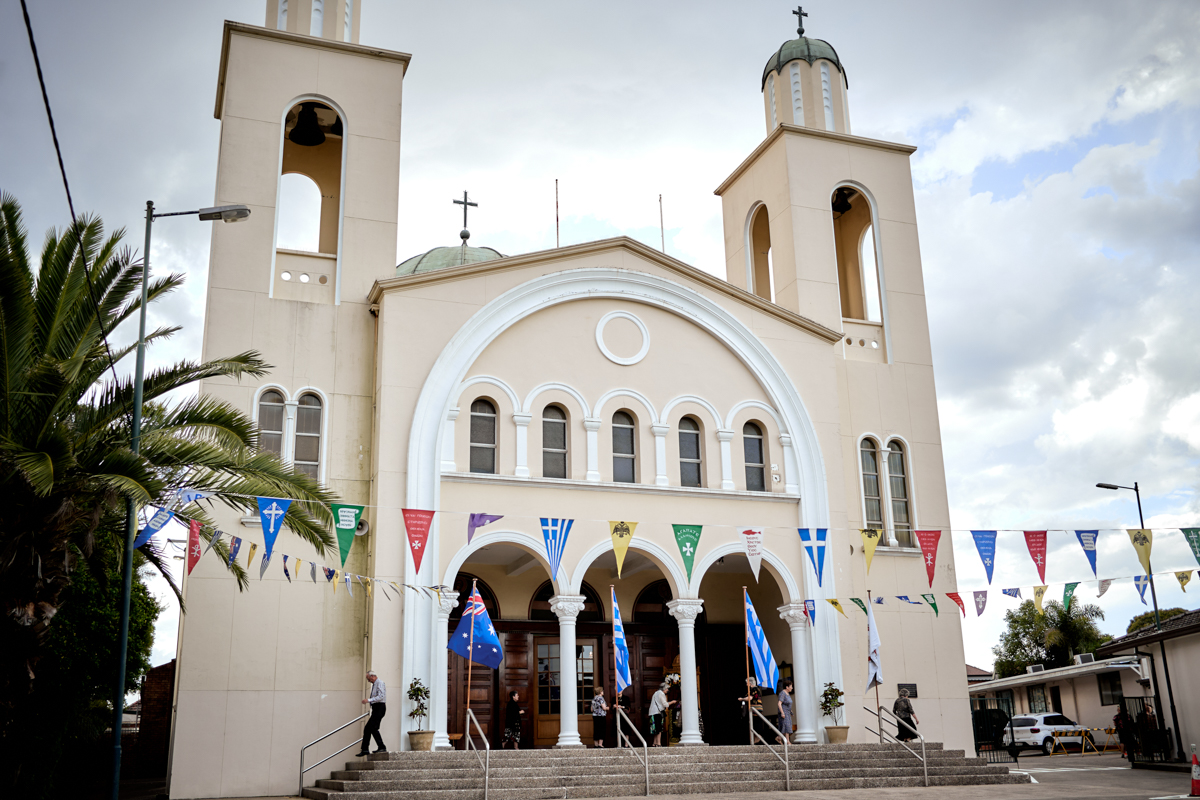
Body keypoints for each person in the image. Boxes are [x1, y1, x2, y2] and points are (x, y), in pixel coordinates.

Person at [356, 670, 386, 757]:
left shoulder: (379, 683)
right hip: (376, 708)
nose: (369, 681)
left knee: (371, 728)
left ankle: (381, 747)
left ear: (373, 676)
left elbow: (381, 696)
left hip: (379, 708)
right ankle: (366, 749)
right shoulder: (376, 684)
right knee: (369, 728)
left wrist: (369, 700)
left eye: (368, 679)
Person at [738, 677, 765, 744]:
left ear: (750, 683)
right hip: (757, 709)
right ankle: (756, 737)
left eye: (747, 683)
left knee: (755, 722)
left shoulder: (754, 689)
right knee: (755, 722)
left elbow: (750, 698)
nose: (746, 685)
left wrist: (742, 699)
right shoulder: (756, 689)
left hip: (755, 709)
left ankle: (758, 736)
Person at [648, 682, 676, 746]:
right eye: (667, 689)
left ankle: (654, 743)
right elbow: (665, 704)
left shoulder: (656, 693)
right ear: (664, 688)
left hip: (652, 712)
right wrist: (672, 702)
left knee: (654, 729)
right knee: (659, 728)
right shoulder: (661, 694)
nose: (667, 690)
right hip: (658, 712)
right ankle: (658, 743)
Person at [776, 677, 794, 745]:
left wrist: (791, 711)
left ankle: (779, 738)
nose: (792, 688)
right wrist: (782, 713)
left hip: (787, 712)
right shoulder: (782, 693)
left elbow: (788, 704)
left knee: (786, 726)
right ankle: (787, 741)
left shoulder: (787, 694)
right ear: (787, 687)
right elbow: (779, 703)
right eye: (791, 686)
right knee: (786, 726)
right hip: (784, 712)